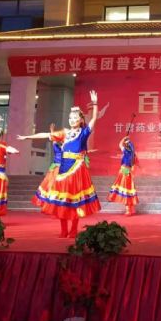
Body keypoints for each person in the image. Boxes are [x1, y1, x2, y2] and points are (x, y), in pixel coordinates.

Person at [18, 91, 101, 238]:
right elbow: (46, 135)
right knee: (61, 200)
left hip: (77, 168)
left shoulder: (84, 132)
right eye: (70, 118)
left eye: (75, 118)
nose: (72, 120)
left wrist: (95, 103)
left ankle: (73, 229)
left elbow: (94, 118)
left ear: (81, 120)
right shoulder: (65, 133)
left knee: (74, 200)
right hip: (63, 168)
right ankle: (63, 230)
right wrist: (27, 137)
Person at [18, 123, 64, 208]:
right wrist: (27, 137)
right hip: (56, 169)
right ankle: (53, 205)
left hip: (66, 168)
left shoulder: (69, 141)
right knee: (52, 187)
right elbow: (42, 135)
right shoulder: (55, 141)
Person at [108, 135, 139, 216]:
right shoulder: (133, 155)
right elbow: (135, 165)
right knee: (128, 190)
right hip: (127, 172)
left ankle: (129, 210)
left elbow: (120, 144)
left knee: (126, 190)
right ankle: (131, 209)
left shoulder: (126, 151)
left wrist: (124, 138)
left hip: (125, 172)